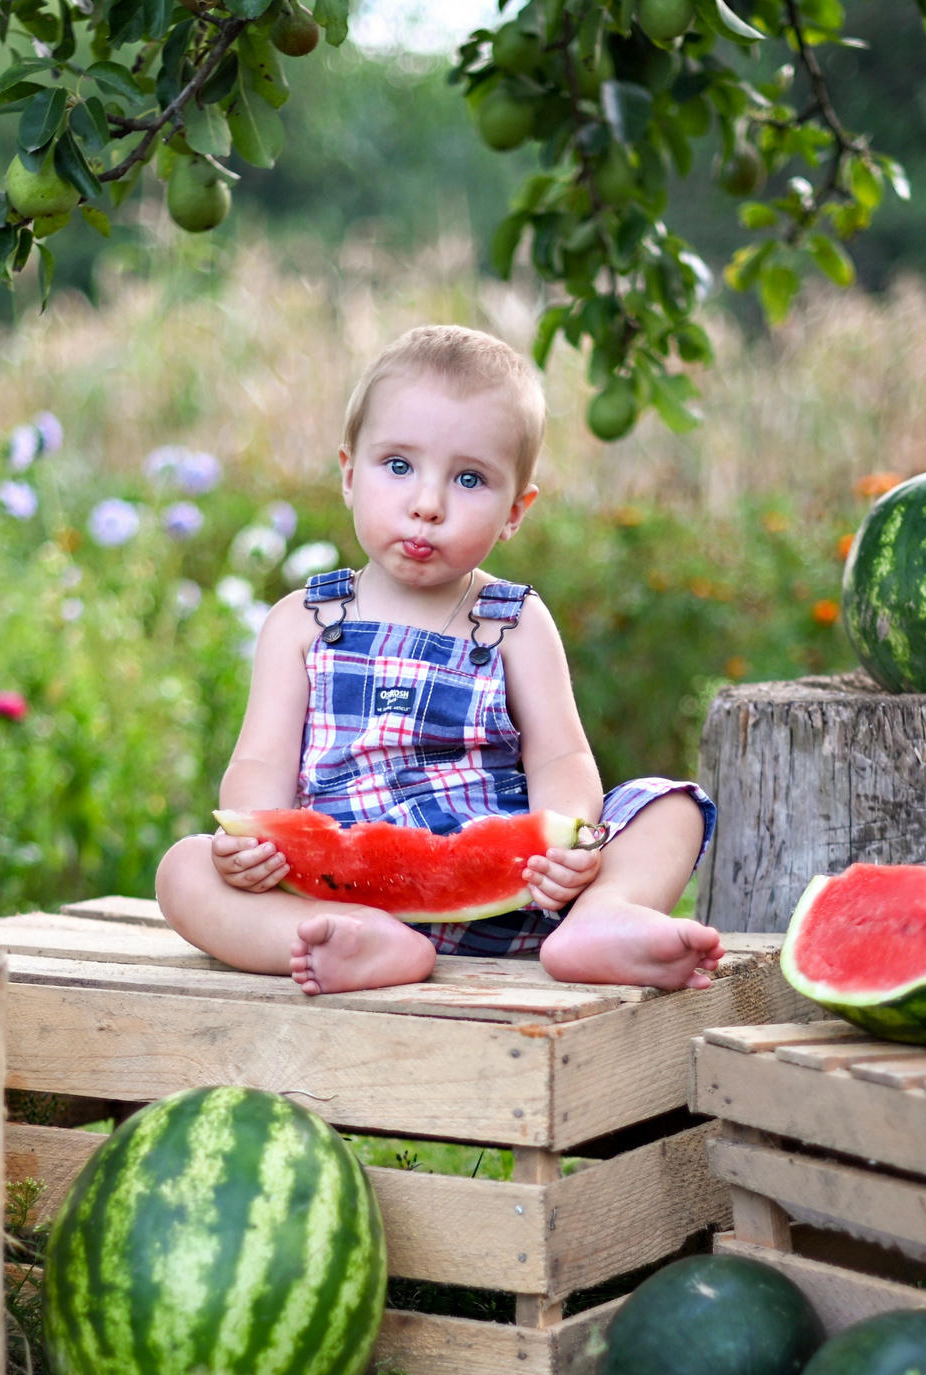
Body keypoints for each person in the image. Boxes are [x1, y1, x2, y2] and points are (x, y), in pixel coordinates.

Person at [155, 324, 725, 995]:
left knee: (672, 804)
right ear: (348, 474)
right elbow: (258, 763)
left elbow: (559, 758)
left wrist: (568, 845)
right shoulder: (302, 622)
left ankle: (600, 920)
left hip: (516, 898)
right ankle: (353, 948)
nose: (428, 504)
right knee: (185, 870)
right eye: (398, 466)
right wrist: (252, 842)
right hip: (343, 897)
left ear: (515, 511)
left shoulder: (515, 621)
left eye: (469, 478)